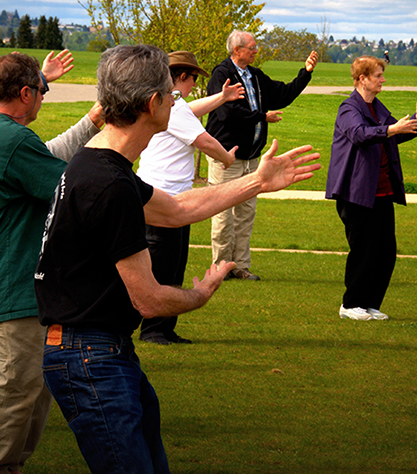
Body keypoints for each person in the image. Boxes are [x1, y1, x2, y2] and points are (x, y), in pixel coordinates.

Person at [33, 44, 320, 474]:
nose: (177, 101)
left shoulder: (102, 164)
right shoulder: (107, 183)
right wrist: (198, 294)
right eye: (172, 94)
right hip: (88, 357)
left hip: (105, 350)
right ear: (152, 104)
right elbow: (148, 299)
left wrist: (256, 183)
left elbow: (178, 210)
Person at [0, 52, 103, 474]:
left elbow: (52, 159)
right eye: (42, 91)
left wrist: (95, 121)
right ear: (25, 93)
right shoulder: (10, 139)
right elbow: (69, 186)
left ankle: (6, 466)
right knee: (15, 385)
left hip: (11, 283)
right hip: (9, 285)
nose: (43, 98)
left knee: (32, 386)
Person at [136, 50, 243, 345]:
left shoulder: (170, 104)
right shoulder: (174, 107)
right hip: (164, 198)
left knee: (174, 261)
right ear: (182, 77)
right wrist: (227, 158)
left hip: (168, 197)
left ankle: (164, 327)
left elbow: (191, 109)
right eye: (194, 78)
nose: (195, 84)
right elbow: (204, 141)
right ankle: (154, 330)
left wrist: (220, 98)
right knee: (164, 263)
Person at [205, 30, 318, 280]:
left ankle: (240, 266)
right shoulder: (222, 74)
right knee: (223, 214)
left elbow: (282, 95)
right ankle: (221, 269)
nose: (256, 51)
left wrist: (306, 73)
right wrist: (260, 116)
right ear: (237, 50)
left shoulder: (254, 76)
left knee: (245, 213)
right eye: (252, 47)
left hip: (252, 159)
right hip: (227, 157)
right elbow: (226, 112)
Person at [325, 56, 417, 321]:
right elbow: (359, 134)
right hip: (356, 193)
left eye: (382, 75)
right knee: (364, 249)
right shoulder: (349, 108)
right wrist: (392, 129)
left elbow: (396, 133)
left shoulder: (376, 108)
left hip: (381, 192)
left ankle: (369, 303)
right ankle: (350, 304)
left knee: (385, 250)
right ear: (362, 79)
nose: (383, 79)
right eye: (378, 75)